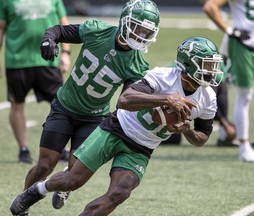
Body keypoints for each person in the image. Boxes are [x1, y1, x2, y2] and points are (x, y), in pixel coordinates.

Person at [10, 36, 224, 216]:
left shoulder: (209, 98)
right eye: (207, 64)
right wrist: (166, 99)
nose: (212, 70)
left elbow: (203, 136)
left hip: (141, 148)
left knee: (119, 193)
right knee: (72, 180)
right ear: (188, 63)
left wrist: (187, 130)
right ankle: (38, 189)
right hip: (116, 129)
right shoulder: (163, 77)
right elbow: (125, 100)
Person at [17, 0, 160, 214]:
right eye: (138, 27)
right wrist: (49, 40)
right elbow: (57, 30)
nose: (141, 35)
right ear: (124, 22)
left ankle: (64, 182)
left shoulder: (137, 64)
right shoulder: (98, 31)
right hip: (65, 106)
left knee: (75, 170)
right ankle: (24, 202)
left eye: (146, 31)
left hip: (94, 117)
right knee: (45, 165)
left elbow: (127, 100)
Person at [203, 0, 254, 162]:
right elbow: (210, 6)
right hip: (243, 46)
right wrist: (229, 30)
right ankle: (244, 147)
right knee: (245, 96)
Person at [0, 0, 71, 164]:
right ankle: (23, 149)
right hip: (17, 61)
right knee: (17, 104)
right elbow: (1, 27)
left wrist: (66, 52)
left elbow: (64, 24)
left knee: (62, 104)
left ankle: (62, 149)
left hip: (48, 60)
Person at [213, 34, 237, 147]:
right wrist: (225, 122)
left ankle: (223, 135)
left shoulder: (221, 64)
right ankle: (224, 132)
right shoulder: (215, 71)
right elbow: (207, 102)